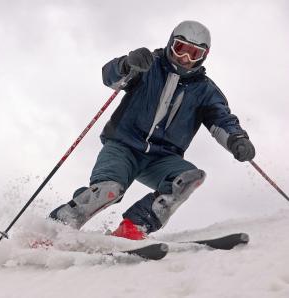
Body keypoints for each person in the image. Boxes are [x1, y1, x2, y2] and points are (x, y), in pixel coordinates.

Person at [49, 20, 255, 240]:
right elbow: (109, 76)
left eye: (194, 54)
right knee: (109, 190)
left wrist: (237, 139)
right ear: (170, 43)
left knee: (189, 178)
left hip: (162, 158)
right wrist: (127, 64)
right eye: (180, 49)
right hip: (123, 146)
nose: (184, 59)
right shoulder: (149, 65)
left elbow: (222, 121)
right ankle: (56, 229)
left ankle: (133, 228)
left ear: (204, 56)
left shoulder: (206, 91)